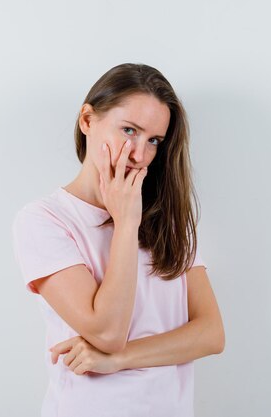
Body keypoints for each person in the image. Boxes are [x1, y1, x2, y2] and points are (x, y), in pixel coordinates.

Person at [12, 63, 225, 417]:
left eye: (153, 140)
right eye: (129, 130)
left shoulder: (169, 221)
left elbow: (210, 334)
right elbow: (107, 332)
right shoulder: (44, 220)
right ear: (88, 120)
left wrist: (121, 359)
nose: (140, 155)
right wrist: (126, 223)